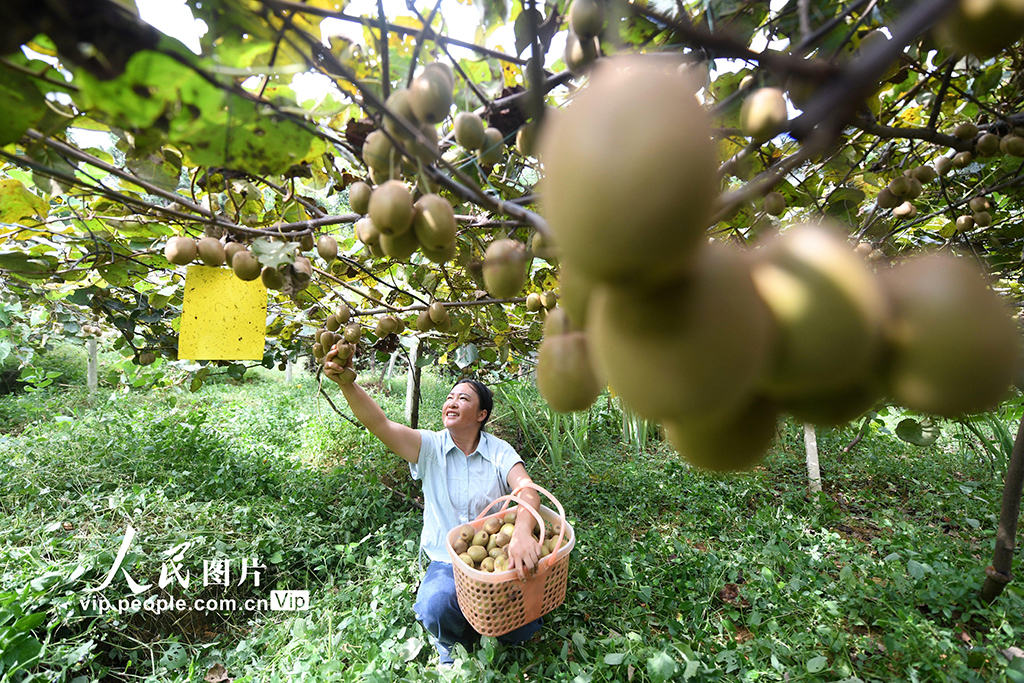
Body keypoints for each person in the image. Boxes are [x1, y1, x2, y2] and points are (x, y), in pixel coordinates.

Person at [323, 346, 544, 665]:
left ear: (482, 415)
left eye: (463, 398)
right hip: (447, 561)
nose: (452, 402)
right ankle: (452, 642)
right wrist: (347, 383)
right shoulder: (429, 448)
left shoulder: (499, 451)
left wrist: (522, 533)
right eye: (450, 397)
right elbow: (380, 424)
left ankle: (496, 629)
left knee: (524, 627)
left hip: (497, 560)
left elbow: (527, 490)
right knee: (434, 607)